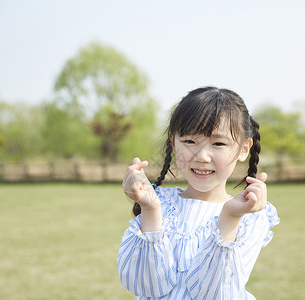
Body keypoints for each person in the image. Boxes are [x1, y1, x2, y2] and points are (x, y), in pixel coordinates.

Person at [118, 86, 279, 299]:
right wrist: (150, 209)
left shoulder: (251, 217)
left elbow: (214, 293)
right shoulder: (159, 204)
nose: (202, 156)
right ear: (173, 142)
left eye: (218, 143)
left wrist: (230, 217)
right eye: (190, 141)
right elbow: (146, 285)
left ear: (243, 149)